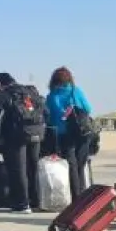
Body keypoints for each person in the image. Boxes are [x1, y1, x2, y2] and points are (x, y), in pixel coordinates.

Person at [0, 72, 43, 213]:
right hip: (36, 134)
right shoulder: (30, 92)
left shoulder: (4, 95)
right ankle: (35, 201)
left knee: (18, 170)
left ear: (1, 83)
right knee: (32, 168)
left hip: (15, 136)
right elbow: (45, 111)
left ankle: (22, 204)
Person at [45, 67, 93, 201]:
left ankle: (76, 196)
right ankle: (83, 194)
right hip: (82, 133)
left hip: (64, 134)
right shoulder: (75, 91)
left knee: (71, 166)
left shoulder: (51, 96)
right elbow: (88, 108)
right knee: (81, 165)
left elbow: (49, 118)